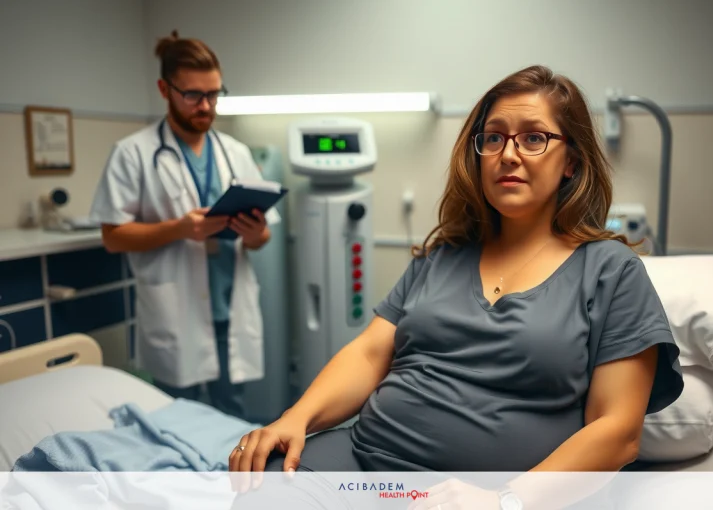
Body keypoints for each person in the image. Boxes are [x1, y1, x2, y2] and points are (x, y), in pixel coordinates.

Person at [229, 65, 683, 507]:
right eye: (493, 137)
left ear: (571, 162)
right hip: (361, 464)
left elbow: (618, 430)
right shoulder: (442, 256)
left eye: (533, 138)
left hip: (489, 493)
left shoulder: (611, 272)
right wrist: (295, 419)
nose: (508, 153)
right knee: (260, 490)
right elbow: (368, 354)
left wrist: (507, 499)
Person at [90, 31, 280, 420]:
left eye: (214, 94)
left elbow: (263, 238)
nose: (206, 106)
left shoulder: (235, 152)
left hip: (230, 313)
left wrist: (255, 233)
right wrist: (180, 229)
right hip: (175, 315)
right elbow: (112, 237)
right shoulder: (133, 154)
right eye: (193, 95)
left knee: (233, 422)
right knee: (176, 422)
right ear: (165, 89)